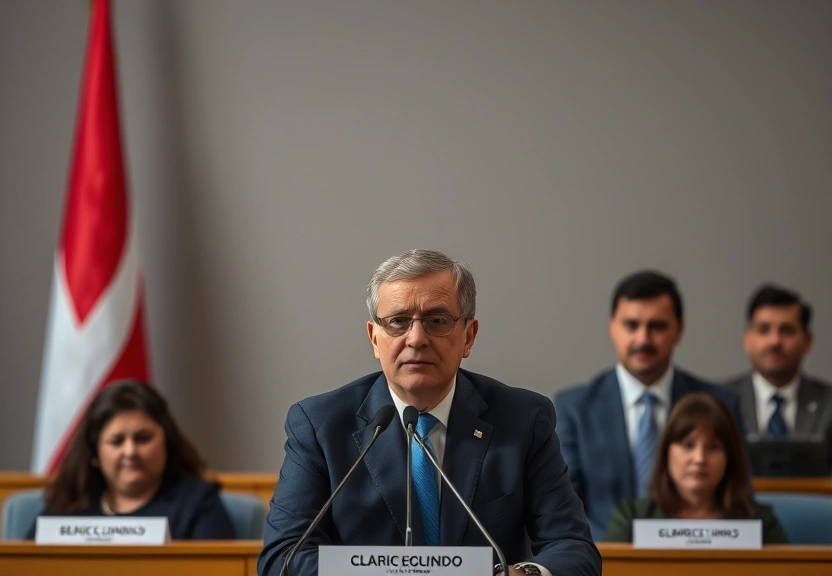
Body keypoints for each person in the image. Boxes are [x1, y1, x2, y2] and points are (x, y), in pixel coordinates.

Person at [259, 249, 600, 576]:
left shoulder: (524, 420)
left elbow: (573, 548)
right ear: (374, 339)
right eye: (398, 321)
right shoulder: (319, 424)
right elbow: (283, 556)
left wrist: (525, 574)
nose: (417, 338)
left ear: (469, 336)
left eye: (437, 320)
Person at [553, 271, 746, 540]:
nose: (643, 339)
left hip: (697, 555)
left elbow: (737, 498)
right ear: (612, 327)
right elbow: (563, 508)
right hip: (605, 560)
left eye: (657, 326)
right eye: (631, 325)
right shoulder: (574, 408)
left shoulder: (720, 404)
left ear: (679, 330)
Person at [26, 381, 234, 539]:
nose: (130, 451)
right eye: (116, 441)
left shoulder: (197, 502)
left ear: (167, 440)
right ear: (94, 452)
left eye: (143, 438)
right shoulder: (69, 502)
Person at [605, 393, 789, 544]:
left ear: (730, 457)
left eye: (713, 447)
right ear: (666, 452)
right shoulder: (631, 518)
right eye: (687, 445)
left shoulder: (759, 522)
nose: (699, 459)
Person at [727, 284, 832, 466]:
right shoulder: (721, 401)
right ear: (747, 339)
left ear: (807, 341)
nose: (775, 341)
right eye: (764, 330)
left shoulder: (828, 404)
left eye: (787, 330)